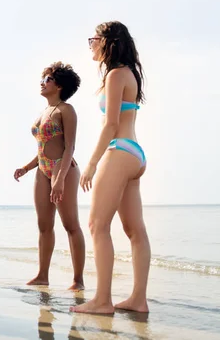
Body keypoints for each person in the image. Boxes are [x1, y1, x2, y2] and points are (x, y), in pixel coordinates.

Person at [70, 21, 150, 314]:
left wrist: (91, 163)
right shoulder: (128, 74)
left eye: (94, 39)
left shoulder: (116, 75)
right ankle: (138, 300)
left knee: (97, 225)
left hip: (119, 151)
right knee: (134, 230)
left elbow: (111, 125)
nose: (90, 44)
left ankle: (102, 301)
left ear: (109, 42)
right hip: (135, 154)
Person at [13, 61, 86, 290]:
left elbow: (69, 148)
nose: (42, 83)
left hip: (64, 170)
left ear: (60, 86)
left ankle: (78, 280)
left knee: (70, 224)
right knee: (44, 225)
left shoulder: (66, 110)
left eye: (48, 79)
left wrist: (60, 179)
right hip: (43, 171)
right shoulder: (43, 112)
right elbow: (43, 148)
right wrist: (26, 167)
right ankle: (42, 275)